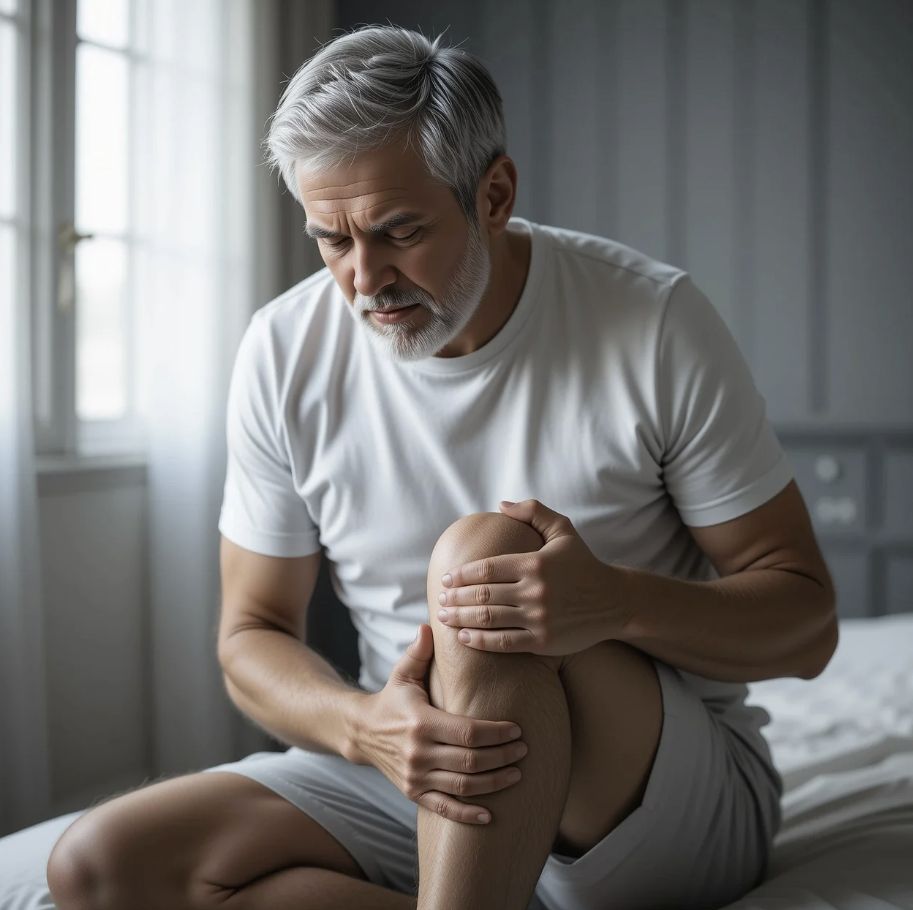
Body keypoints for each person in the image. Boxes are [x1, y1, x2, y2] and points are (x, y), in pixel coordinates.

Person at [45, 24, 837, 910]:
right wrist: (363, 727)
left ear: (493, 194)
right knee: (103, 868)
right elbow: (250, 637)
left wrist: (615, 603)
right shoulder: (282, 350)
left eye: (398, 231)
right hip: (428, 766)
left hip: (660, 791)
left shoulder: (650, 322)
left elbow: (805, 625)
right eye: (331, 240)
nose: (363, 280)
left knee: (481, 554)